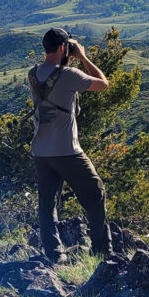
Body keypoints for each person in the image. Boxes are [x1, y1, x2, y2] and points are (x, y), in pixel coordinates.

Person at [28, 27, 112, 261]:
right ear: (64, 48)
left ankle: (55, 255)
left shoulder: (32, 73)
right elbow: (103, 84)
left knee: (46, 204)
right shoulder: (68, 76)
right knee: (95, 194)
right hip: (67, 150)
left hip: (41, 151)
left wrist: (67, 54)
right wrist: (82, 56)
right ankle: (102, 251)